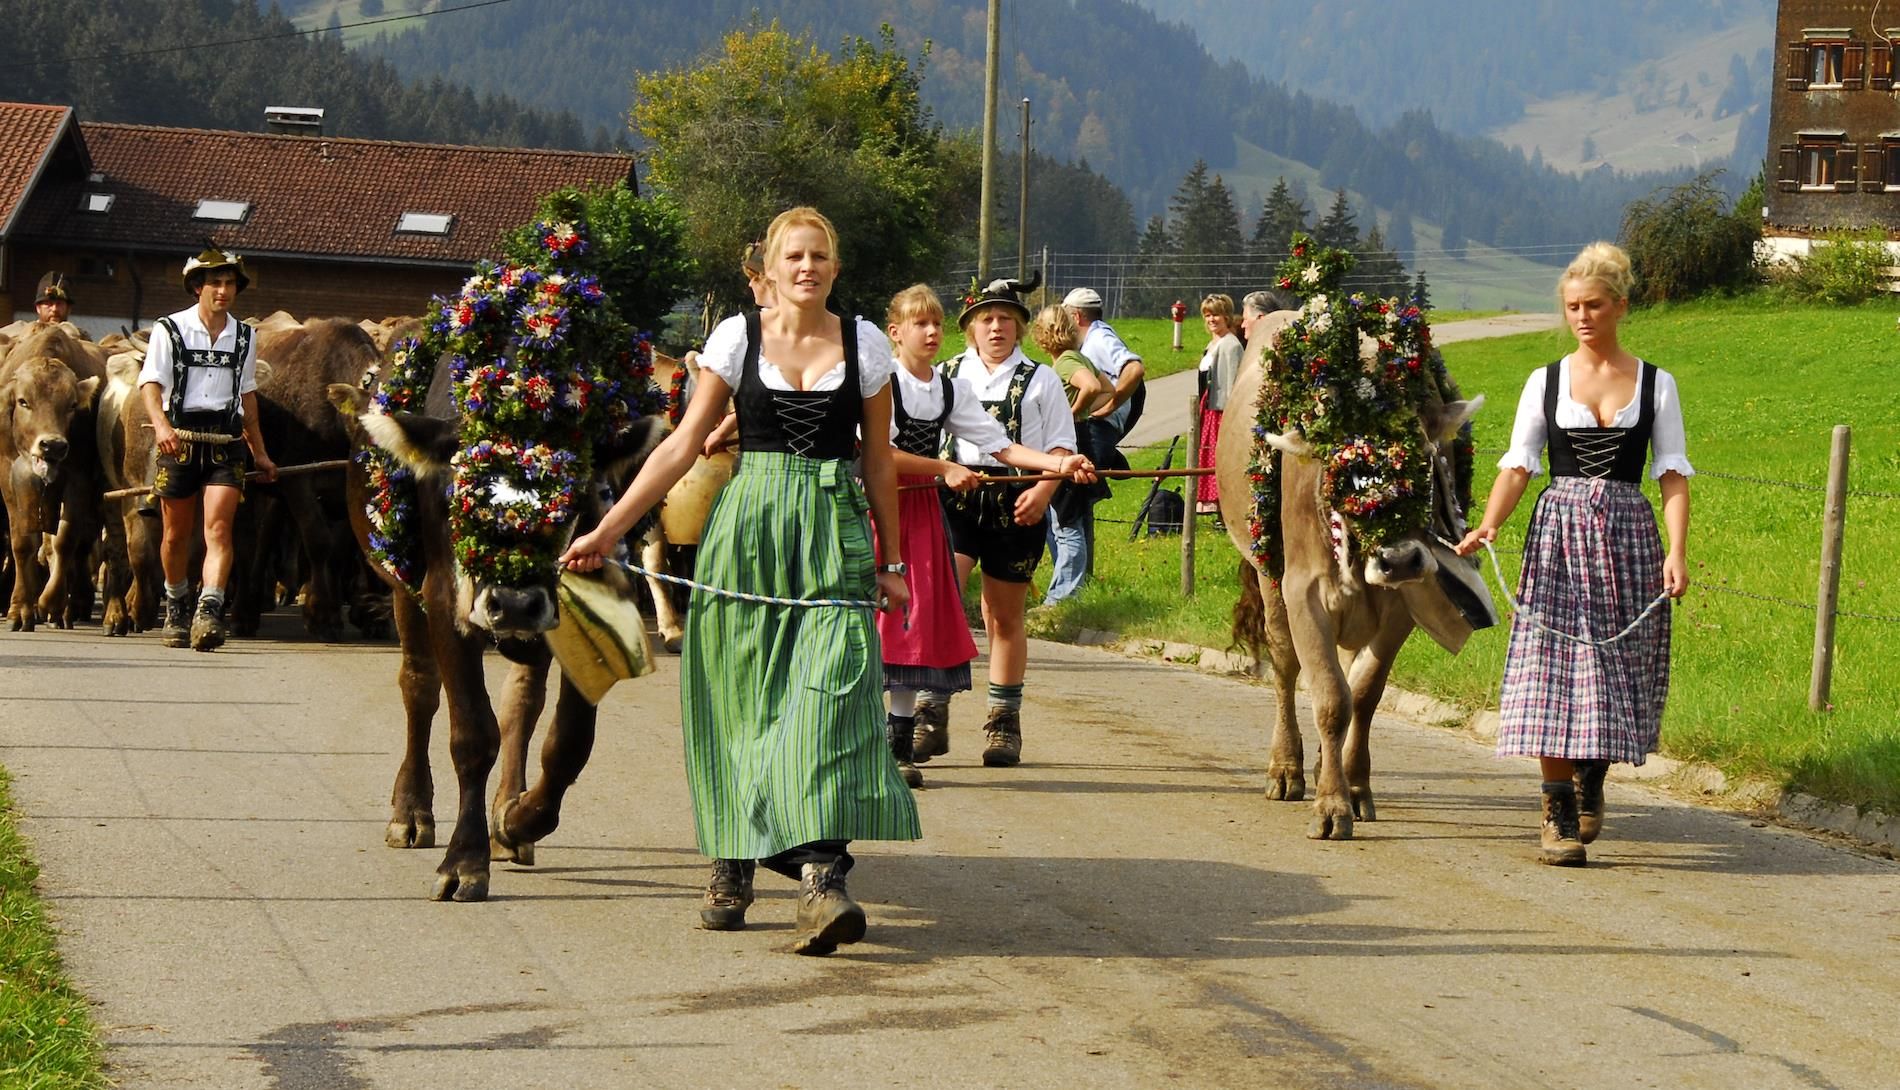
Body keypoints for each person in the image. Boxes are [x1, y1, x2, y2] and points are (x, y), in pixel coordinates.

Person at [561, 207, 916, 956]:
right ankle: (733, 857)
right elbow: (684, 445)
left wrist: (889, 562)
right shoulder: (736, 338)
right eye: (794, 255)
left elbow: (879, 460)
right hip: (748, 526)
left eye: (820, 255)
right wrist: (610, 529)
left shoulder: (866, 344)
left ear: (836, 267)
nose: (807, 267)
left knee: (833, 698)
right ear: (773, 265)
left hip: (831, 527)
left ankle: (822, 876)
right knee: (741, 696)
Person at [1454, 242, 1691, 868]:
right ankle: (1557, 808)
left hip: (1628, 537)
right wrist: (1488, 524)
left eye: (1592, 305)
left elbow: (1671, 475)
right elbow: (1518, 464)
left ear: (1620, 306)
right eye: (1571, 307)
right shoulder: (1546, 380)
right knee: (1551, 667)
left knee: (1615, 668)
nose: (1581, 316)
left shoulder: (1656, 383)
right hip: (1557, 534)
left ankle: (1592, 772)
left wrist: (1677, 551)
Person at [880, 286, 1094, 786]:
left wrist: (1058, 469)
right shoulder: (927, 376)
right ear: (971, 327)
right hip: (932, 500)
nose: (995, 327)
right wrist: (942, 468)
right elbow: (872, 452)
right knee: (921, 607)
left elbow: (1001, 445)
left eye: (1005, 319)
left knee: (1002, 614)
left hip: (1008, 500)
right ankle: (920, 718)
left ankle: (1000, 722)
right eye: (985, 319)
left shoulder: (1034, 379)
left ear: (1020, 328)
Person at [137, 248, 277, 652]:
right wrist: (161, 425)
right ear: (198, 287)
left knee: (218, 528)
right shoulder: (170, 329)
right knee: (175, 535)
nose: (223, 290)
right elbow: (150, 384)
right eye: (215, 283)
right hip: (179, 438)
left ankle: (208, 611)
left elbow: (247, 397)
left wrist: (261, 453)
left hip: (225, 441)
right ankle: (176, 603)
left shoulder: (246, 336)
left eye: (230, 283)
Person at [1028, 303, 1110, 606]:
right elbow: (1108, 388)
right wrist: (1087, 412)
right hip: (1084, 441)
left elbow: (1090, 387)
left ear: (1043, 335)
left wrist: (1069, 413)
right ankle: (1079, 588)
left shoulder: (1063, 363)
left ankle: (1061, 598)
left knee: (1065, 523)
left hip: (1068, 447)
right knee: (1077, 517)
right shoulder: (1081, 357)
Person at [1062, 287, 1146, 463]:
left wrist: (1109, 407)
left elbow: (1134, 369)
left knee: (1083, 485)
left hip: (1098, 427)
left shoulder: (1099, 338)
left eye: (1065, 316)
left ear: (1076, 317)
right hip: (1095, 426)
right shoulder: (1094, 337)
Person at [1194, 293, 1243, 515]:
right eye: (1208, 315)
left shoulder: (1231, 345)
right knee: (1206, 453)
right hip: (1208, 406)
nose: (1212, 319)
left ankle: (1222, 504)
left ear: (1227, 317)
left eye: (1216, 315)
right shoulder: (1212, 344)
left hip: (1221, 409)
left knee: (1219, 455)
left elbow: (1233, 383)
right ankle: (1209, 503)